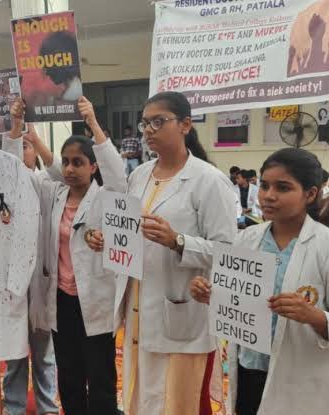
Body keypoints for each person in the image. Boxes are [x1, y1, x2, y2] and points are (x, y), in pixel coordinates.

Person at [86, 91, 236, 414]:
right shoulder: (140, 175)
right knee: (141, 398)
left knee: (178, 404)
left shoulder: (209, 181)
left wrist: (177, 241)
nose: (149, 131)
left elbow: (227, 253)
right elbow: (132, 232)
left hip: (181, 312)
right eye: (145, 123)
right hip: (139, 309)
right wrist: (109, 239)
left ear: (185, 125)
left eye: (158, 122)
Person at [190, 148, 329, 414]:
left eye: (283, 188)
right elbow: (236, 299)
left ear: (310, 194)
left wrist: (314, 317)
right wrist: (211, 293)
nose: (268, 195)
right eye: (265, 185)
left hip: (300, 377)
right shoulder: (246, 240)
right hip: (249, 368)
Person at [9, 97, 125, 415]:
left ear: (93, 166)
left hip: (95, 300)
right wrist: (17, 128)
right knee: (69, 374)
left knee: (100, 376)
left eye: (78, 162)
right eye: (66, 162)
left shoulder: (107, 197)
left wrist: (93, 123)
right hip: (61, 300)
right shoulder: (53, 192)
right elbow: (16, 177)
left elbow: (118, 176)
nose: (71, 168)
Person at [1, 122, 58, 415]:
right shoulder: (1, 187)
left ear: (35, 150)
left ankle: (48, 407)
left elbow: (62, 173)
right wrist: (14, 133)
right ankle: (14, 406)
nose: (19, 152)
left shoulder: (45, 182)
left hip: (41, 279)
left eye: (25, 146)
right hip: (11, 282)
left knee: (44, 352)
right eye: (15, 146)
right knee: (14, 352)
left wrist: (34, 138)